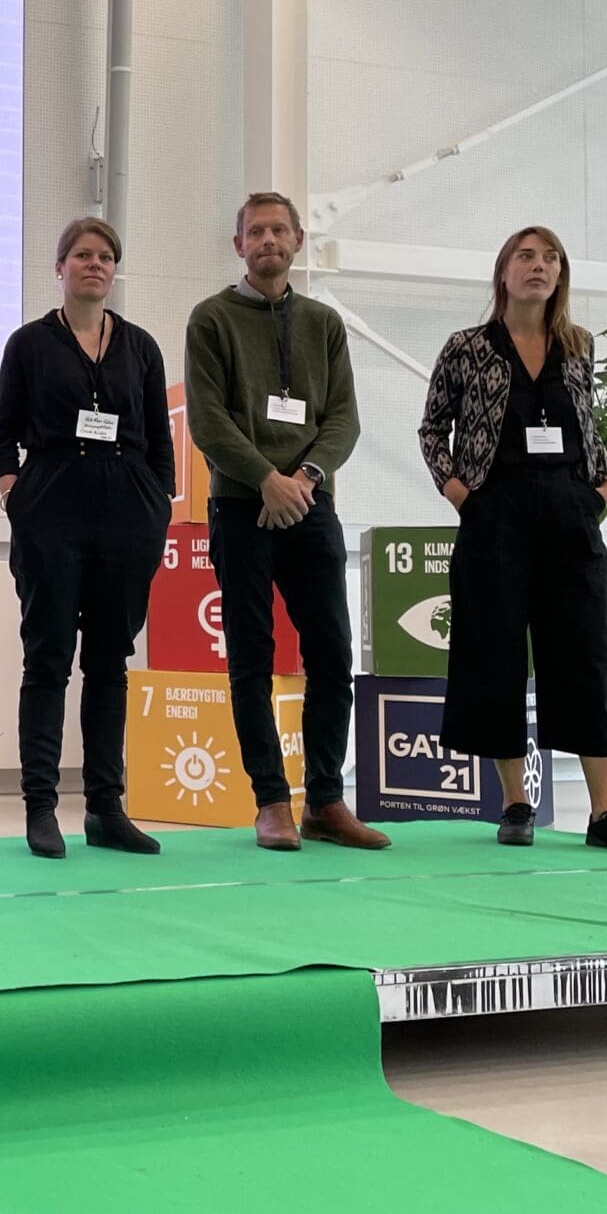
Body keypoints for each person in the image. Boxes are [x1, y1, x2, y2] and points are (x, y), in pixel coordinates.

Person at [419, 227, 607, 855]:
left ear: (561, 275)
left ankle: (605, 814)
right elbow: (432, 429)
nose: (540, 266)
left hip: (569, 509)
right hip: (494, 510)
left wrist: (604, 487)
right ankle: (515, 804)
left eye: (551, 258)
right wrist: (459, 492)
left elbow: (589, 422)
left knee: (585, 653)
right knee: (495, 653)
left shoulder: (578, 345)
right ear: (503, 272)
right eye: (526, 256)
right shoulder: (467, 347)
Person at [184, 193, 387, 854]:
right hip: (241, 506)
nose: (268, 239)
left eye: (279, 229)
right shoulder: (211, 319)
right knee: (252, 658)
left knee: (332, 654)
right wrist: (266, 480)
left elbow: (343, 418)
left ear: (298, 240)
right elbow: (208, 420)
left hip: (311, 504)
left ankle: (324, 801)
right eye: (256, 231)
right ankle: (271, 802)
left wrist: (304, 480)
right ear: (238, 245)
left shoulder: (324, 324)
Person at [0, 217, 172, 859]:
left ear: (114, 270)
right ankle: (41, 807)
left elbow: (159, 440)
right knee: (47, 660)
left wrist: (157, 506)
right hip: (51, 512)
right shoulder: (29, 344)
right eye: (83, 255)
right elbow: (3, 431)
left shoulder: (142, 347)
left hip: (128, 515)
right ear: (60, 267)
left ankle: (105, 809)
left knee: (109, 663)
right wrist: (13, 492)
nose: (95, 264)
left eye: (106, 257)